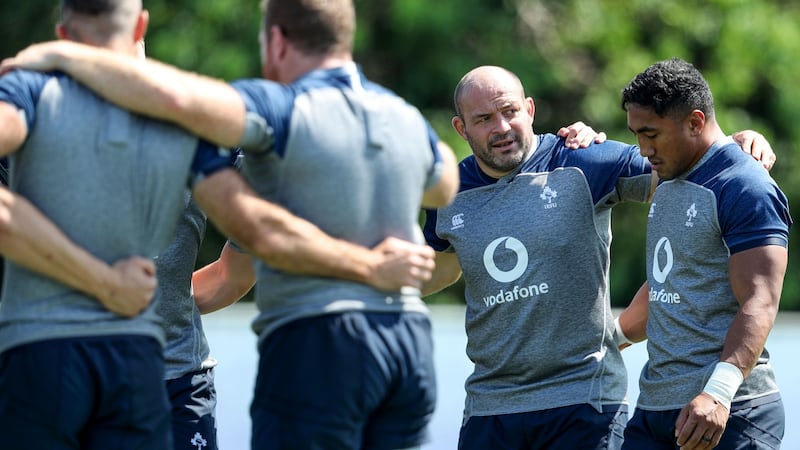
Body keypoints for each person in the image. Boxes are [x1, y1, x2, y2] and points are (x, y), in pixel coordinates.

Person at [0, 1, 463, 448]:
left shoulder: (274, 107)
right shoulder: (404, 117)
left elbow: (179, 99)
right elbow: (444, 185)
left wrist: (64, 56)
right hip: (407, 344)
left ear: (277, 42)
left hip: (315, 341)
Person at [419, 65, 776, 450]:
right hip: (489, 408)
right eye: (484, 119)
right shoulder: (449, 195)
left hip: (586, 402)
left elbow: (687, 164)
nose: (502, 127)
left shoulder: (584, 158)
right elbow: (432, 272)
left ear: (530, 109)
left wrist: (733, 145)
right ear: (461, 128)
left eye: (509, 111)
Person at [616, 57, 790, 450]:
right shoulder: (670, 176)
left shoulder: (745, 184)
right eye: (636, 135)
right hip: (657, 409)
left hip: (730, 412)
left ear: (695, 122)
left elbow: (761, 300)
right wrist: (605, 343)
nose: (643, 150)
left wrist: (719, 393)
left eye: (651, 134)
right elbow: (669, 283)